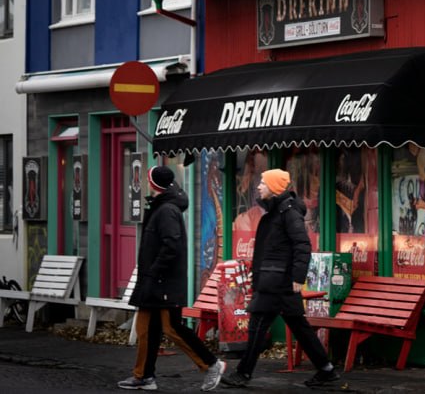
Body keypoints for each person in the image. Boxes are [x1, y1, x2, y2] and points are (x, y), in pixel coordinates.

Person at [220, 169, 340, 389]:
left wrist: (298, 276)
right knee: (299, 327)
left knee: (257, 325)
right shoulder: (277, 212)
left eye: (263, 183)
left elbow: (302, 245)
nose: (258, 186)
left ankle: (243, 373)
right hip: (273, 279)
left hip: (277, 281)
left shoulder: (288, 213)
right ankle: (326, 370)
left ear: (274, 187)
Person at [118, 165, 226, 392]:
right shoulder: (161, 206)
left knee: (172, 327)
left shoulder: (167, 210)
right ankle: (143, 376)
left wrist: (155, 271)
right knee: (145, 328)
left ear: (153, 183)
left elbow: (172, 245)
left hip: (163, 281)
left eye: (149, 180)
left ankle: (211, 364)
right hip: (153, 281)